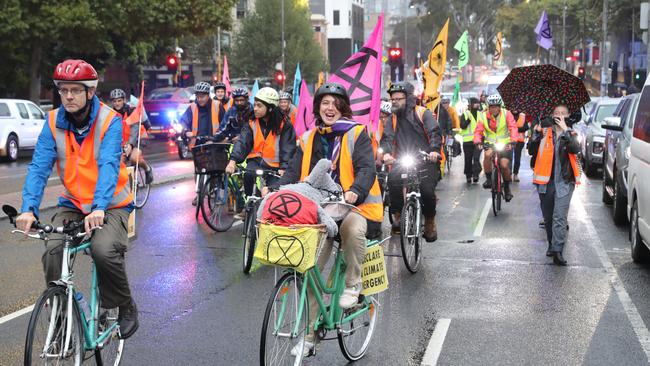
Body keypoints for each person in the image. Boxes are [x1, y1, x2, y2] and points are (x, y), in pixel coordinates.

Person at [16, 59, 138, 339]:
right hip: (72, 203)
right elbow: (39, 167)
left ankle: (125, 304)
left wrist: (98, 207)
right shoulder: (52, 122)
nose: (68, 96)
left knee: (103, 250)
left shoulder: (110, 120)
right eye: (63, 90)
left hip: (112, 204)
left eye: (75, 90)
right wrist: (28, 210)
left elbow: (109, 164)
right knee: (53, 251)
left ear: (90, 92)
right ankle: (61, 312)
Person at [268, 82, 382, 356]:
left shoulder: (357, 133)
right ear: (318, 107)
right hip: (318, 212)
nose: (330, 108)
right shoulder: (308, 138)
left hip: (355, 208)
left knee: (353, 231)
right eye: (324, 103)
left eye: (335, 103)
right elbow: (293, 170)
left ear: (343, 108)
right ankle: (309, 337)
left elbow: (367, 168)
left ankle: (354, 285)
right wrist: (276, 191)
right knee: (309, 269)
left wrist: (355, 191)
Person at [381, 81, 442, 241]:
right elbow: (387, 138)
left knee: (427, 191)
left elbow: (434, 132)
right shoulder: (392, 119)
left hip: (426, 160)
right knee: (392, 179)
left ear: (408, 98)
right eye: (392, 99)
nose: (394, 102)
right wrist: (386, 154)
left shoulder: (423, 113)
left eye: (398, 99)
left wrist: (434, 151)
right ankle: (398, 215)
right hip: (403, 159)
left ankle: (430, 221)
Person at [529, 104, 581, 266]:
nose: (559, 115)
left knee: (560, 216)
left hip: (565, 181)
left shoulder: (571, 133)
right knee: (549, 217)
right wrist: (535, 136)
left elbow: (574, 149)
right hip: (545, 181)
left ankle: (558, 250)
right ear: (552, 115)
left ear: (568, 115)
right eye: (557, 113)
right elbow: (531, 151)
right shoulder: (544, 131)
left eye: (563, 113)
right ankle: (552, 244)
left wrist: (566, 130)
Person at [226, 87, 296, 203]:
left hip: (276, 166)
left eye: (259, 106)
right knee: (248, 175)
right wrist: (233, 161)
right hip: (256, 161)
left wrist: (284, 167)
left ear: (270, 108)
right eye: (255, 105)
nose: (255, 109)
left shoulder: (285, 124)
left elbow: (288, 148)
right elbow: (243, 141)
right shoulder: (252, 122)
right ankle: (248, 202)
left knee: (272, 195)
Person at [473, 94, 518, 202]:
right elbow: (478, 130)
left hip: (506, 143)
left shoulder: (507, 114)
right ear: (488, 107)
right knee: (487, 155)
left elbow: (513, 127)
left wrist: (513, 141)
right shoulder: (484, 116)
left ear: (500, 106)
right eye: (491, 106)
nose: (494, 109)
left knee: (504, 165)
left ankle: (507, 188)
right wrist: (478, 141)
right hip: (490, 143)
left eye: (496, 106)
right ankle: (489, 179)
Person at [109, 88, 154, 184]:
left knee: (134, 158)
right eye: (115, 101)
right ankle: (130, 182)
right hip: (123, 142)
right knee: (119, 162)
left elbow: (134, 129)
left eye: (119, 100)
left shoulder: (131, 110)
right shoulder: (111, 114)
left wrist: (130, 145)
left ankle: (147, 168)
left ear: (124, 100)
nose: (117, 103)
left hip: (138, 138)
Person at [459, 97, 482, 183]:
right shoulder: (465, 114)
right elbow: (462, 126)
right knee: (468, 159)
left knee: (476, 158)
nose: (477, 104)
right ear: (471, 104)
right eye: (475, 103)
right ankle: (468, 175)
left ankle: (476, 174)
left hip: (478, 141)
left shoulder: (480, 114)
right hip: (467, 141)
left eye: (478, 103)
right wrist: (468, 120)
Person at [511, 111, 528, 182]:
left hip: (519, 141)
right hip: (509, 140)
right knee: (508, 158)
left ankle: (515, 174)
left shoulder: (522, 116)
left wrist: (515, 129)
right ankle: (507, 174)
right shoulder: (508, 114)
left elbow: (526, 127)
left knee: (517, 159)